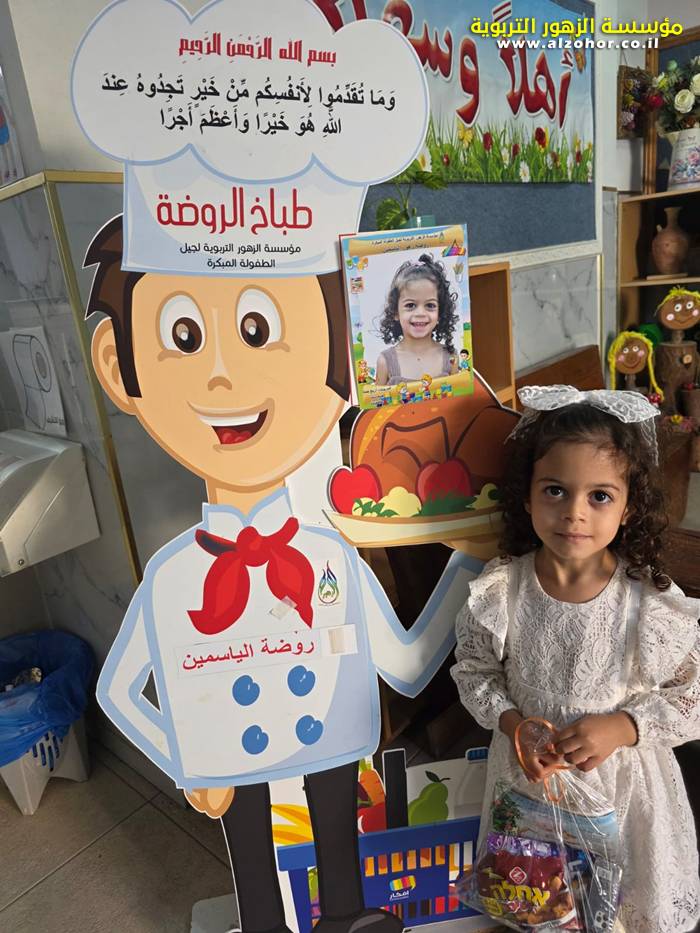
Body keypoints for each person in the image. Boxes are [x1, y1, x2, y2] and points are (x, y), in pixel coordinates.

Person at [88, 215, 480, 933]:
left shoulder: (331, 555)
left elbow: (408, 666)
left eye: (259, 331)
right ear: (118, 366)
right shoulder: (174, 577)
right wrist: (187, 766)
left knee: (336, 822)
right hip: (229, 760)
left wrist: (471, 556)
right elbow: (117, 691)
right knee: (254, 862)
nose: (224, 375)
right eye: (184, 335)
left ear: (341, 357)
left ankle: (346, 915)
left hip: (331, 746)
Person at [451, 385, 700, 933]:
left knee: (618, 908)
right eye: (556, 490)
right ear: (527, 496)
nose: (574, 513)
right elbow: (475, 672)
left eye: (600, 496)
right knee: (539, 902)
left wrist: (624, 726)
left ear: (629, 506)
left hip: (621, 788)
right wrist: (513, 725)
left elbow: (692, 696)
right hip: (530, 782)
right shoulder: (502, 590)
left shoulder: (648, 603)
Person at [374, 253, 460, 386]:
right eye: (410, 305)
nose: (420, 313)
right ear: (396, 312)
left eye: (430, 305)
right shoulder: (385, 361)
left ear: (440, 312)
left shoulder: (451, 357)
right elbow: (376, 399)